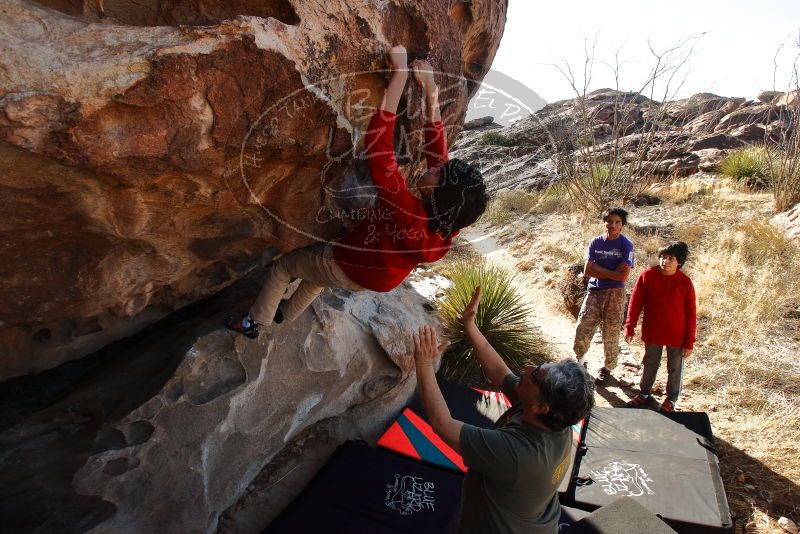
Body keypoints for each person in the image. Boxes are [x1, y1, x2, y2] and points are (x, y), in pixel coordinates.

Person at [226, 45, 488, 338]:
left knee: (285, 268)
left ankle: (254, 323)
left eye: (437, 174)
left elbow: (380, 150)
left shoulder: (403, 209)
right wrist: (429, 89)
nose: (433, 168)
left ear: (437, 195)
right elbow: (436, 148)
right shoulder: (446, 225)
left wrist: (399, 77)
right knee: (318, 276)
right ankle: (284, 314)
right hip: (375, 275)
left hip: (351, 262)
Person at [412, 287, 595, 534]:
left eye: (535, 374)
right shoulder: (551, 417)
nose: (528, 368)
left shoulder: (518, 455)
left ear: (542, 407)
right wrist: (470, 325)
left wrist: (423, 364)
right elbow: (499, 372)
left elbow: (442, 424)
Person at [624, 241, 697, 412]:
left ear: (679, 261)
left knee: (675, 367)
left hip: (677, 335)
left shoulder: (685, 282)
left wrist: (689, 342)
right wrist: (630, 326)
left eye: (671, 258)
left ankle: (671, 398)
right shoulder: (647, 276)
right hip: (653, 331)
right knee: (650, 362)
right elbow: (635, 303)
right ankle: (644, 393)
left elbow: (691, 313)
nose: (666, 261)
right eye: (663, 257)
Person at [573, 207, 634, 383]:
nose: (612, 225)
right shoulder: (596, 243)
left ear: (622, 225)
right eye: (609, 221)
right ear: (604, 222)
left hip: (615, 293)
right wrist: (611, 272)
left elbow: (623, 276)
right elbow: (586, 270)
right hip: (594, 291)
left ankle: (608, 368)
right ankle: (580, 362)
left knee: (611, 332)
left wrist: (598, 269)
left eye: (617, 222)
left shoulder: (626, 245)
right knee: (583, 327)